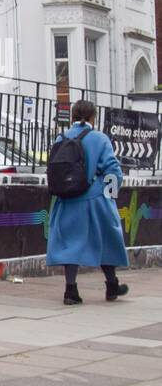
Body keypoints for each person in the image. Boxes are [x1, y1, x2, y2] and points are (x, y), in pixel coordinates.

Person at [46, 100, 130, 305]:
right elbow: (113, 171)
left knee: (70, 244)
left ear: (73, 116)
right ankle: (112, 285)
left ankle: (70, 290)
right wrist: (109, 193)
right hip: (95, 198)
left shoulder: (61, 137)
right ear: (94, 117)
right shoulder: (100, 138)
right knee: (107, 240)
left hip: (67, 199)